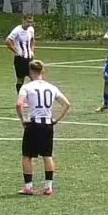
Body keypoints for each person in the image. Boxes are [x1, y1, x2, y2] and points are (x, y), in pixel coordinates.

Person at [16, 60, 70, 196]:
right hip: (47, 125)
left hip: (33, 124)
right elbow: (66, 104)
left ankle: (28, 187)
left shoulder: (27, 87)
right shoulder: (51, 87)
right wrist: (56, 119)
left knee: (27, 156)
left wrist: (23, 119)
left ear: (30, 72)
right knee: (47, 156)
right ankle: (48, 187)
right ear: (42, 71)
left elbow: (18, 104)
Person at [6, 15, 37, 91]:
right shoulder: (17, 30)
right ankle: (20, 96)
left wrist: (32, 50)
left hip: (29, 58)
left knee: (34, 78)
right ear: (23, 20)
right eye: (28, 22)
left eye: (31, 22)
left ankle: (33, 95)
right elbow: (8, 41)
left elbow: (32, 40)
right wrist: (16, 51)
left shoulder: (31, 29)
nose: (29, 24)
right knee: (20, 79)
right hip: (20, 59)